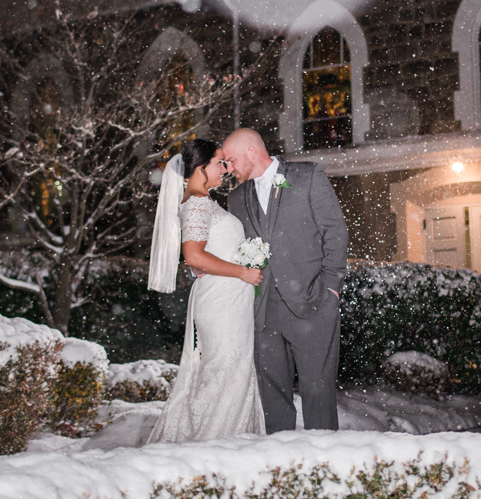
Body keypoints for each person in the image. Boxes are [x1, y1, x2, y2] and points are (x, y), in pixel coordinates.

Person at [222, 128, 348, 433]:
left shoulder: (307, 176)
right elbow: (229, 248)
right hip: (263, 313)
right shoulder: (236, 198)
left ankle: (325, 467)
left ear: (251, 152)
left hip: (314, 304)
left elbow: (335, 232)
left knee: (318, 395)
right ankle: (282, 468)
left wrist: (330, 289)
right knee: (272, 398)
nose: (228, 168)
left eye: (230, 160)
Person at [146, 139, 265, 443]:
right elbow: (195, 256)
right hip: (221, 302)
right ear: (201, 168)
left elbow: (205, 254)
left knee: (231, 371)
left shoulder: (202, 201)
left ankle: (226, 442)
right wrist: (242, 271)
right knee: (225, 373)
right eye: (219, 163)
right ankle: (213, 446)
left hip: (228, 300)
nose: (225, 169)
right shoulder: (198, 202)